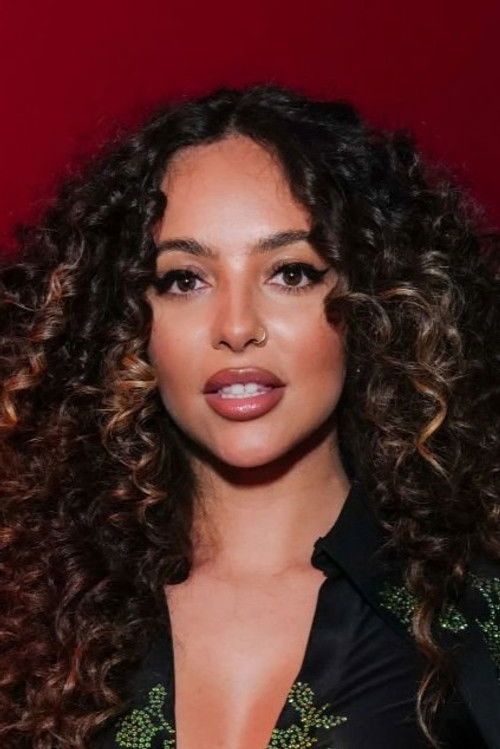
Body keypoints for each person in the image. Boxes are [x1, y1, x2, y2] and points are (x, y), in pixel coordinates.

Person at [0, 84, 499, 749]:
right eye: (184, 279)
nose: (236, 327)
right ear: (127, 324)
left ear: (373, 302)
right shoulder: (32, 616)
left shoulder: (470, 613)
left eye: (290, 273)